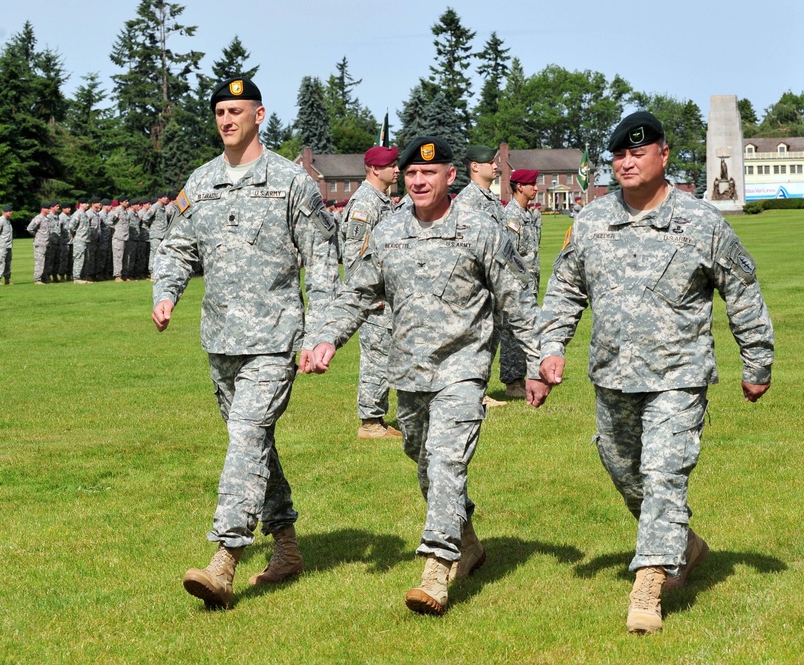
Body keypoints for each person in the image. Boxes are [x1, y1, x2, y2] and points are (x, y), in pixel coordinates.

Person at [532, 111, 774, 634]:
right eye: (618, 155)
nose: (626, 163)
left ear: (663, 155)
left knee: (665, 474)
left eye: (637, 153)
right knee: (626, 472)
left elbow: (742, 289)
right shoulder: (593, 221)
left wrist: (757, 359)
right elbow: (565, 290)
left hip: (677, 376)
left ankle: (649, 583)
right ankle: (683, 544)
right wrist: (550, 347)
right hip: (612, 374)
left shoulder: (700, 222)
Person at [309, 136, 543, 616]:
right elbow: (357, 292)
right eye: (411, 173)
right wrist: (328, 337)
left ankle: (436, 569)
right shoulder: (390, 231)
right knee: (422, 457)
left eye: (428, 174)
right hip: (409, 372)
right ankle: (469, 540)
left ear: (449, 177)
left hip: (462, 369)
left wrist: (538, 363)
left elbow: (516, 300)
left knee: (444, 463)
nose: (418, 181)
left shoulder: (479, 229)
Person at [151, 76, 338, 610]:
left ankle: (224, 558)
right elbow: (177, 247)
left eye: (237, 110)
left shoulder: (289, 182)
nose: (227, 120)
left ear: (259, 115)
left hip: (274, 339)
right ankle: (286, 547)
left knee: (246, 433)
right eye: (219, 112)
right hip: (220, 339)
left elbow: (322, 262)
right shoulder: (203, 182)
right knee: (252, 442)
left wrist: (321, 332)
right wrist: (167, 292)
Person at [337, 145, 402, 439]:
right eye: (392, 165)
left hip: (388, 296)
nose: (397, 170)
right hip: (374, 298)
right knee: (377, 357)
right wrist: (369, 297)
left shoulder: (382, 201)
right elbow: (353, 257)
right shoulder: (365, 204)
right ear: (375, 169)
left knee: (389, 355)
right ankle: (370, 422)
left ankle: (384, 418)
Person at [455, 144, 509, 408]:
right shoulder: (469, 199)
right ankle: (474, 392)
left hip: (493, 280)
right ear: (475, 166)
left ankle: (481, 389)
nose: (496, 166)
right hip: (478, 282)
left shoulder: (488, 198)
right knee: (476, 338)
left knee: (490, 337)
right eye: (491, 162)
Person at [499, 169, 541, 398]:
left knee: (527, 331)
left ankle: (522, 377)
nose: (536, 188)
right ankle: (512, 381)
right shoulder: (512, 216)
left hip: (529, 284)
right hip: (516, 285)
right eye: (531, 184)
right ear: (519, 187)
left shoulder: (527, 214)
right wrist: (523, 280)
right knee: (512, 334)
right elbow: (509, 254)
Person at [27, 203, 52, 284]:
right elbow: (30, 228)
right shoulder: (38, 218)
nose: (49, 210)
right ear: (43, 209)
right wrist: (37, 235)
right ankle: (38, 279)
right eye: (47, 208)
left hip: (46, 243)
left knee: (46, 262)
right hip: (40, 243)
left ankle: (44, 278)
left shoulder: (47, 219)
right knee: (40, 261)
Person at [0, 205, 14, 285]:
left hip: (8, 245)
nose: (11, 212)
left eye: (11, 211)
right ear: (4, 212)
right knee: (0, 262)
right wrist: (0, 239)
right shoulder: (1, 220)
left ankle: (7, 279)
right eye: (9, 211)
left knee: (8, 262)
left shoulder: (8, 221)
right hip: (1, 246)